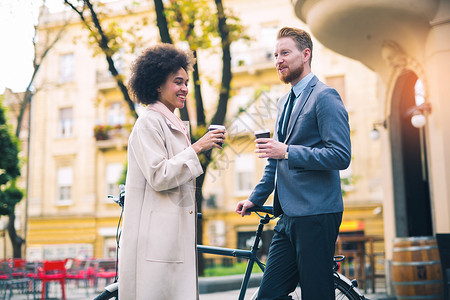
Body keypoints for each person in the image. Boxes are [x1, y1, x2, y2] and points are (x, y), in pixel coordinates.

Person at [235, 27, 351, 300]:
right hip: (286, 216)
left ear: (306, 54)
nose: (278, 60)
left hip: (316, 214)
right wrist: (255, 197)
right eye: (276, 54)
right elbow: (274, 162)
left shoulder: (325, 96)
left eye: (285, 52)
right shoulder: (283, 102)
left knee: (316, 294)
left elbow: (340, 155)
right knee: (268, 296)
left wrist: (287, 151)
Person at [118, 44, 225, 299]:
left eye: (186, 82)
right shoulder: (148, 122)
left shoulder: (170, 122)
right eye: (178, 82)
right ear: (157, 85)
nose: (185, 88)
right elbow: (159, 175)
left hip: (170, 238)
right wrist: (198, 147)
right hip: (157, 241)